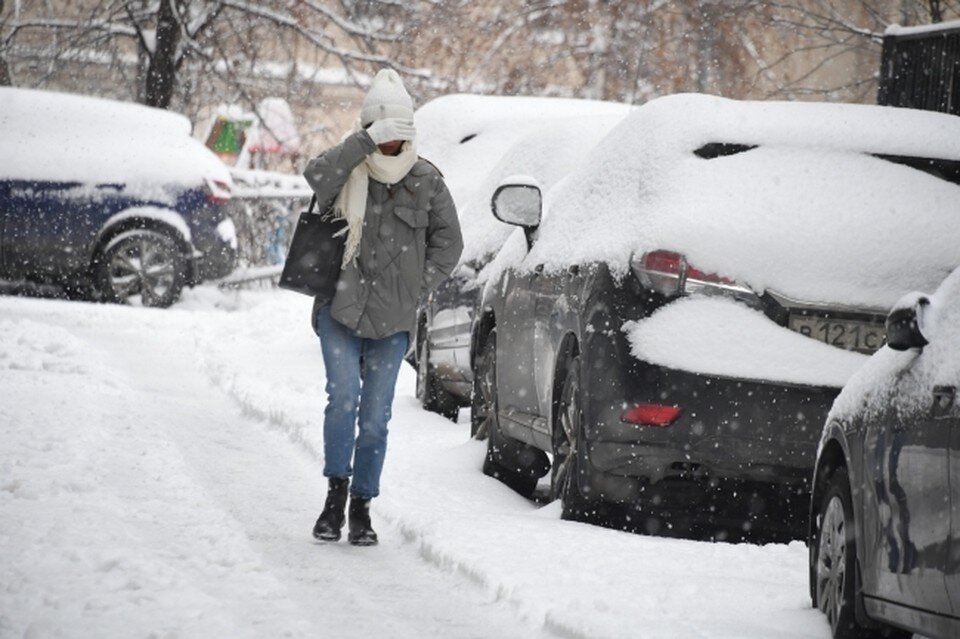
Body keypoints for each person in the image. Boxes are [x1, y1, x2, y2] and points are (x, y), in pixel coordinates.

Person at [302, 69, 463, 546]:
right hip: (340, 308)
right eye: (383, 136)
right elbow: (315, 176)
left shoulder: (427, 181)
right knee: (343, 399)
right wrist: (361, 143)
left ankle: (362, 506)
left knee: (375, 416)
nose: (390, 146)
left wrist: (416, 288)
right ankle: (335, 495)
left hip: (393, 320)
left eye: (398, 137)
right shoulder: (346, 170)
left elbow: (449, 245)